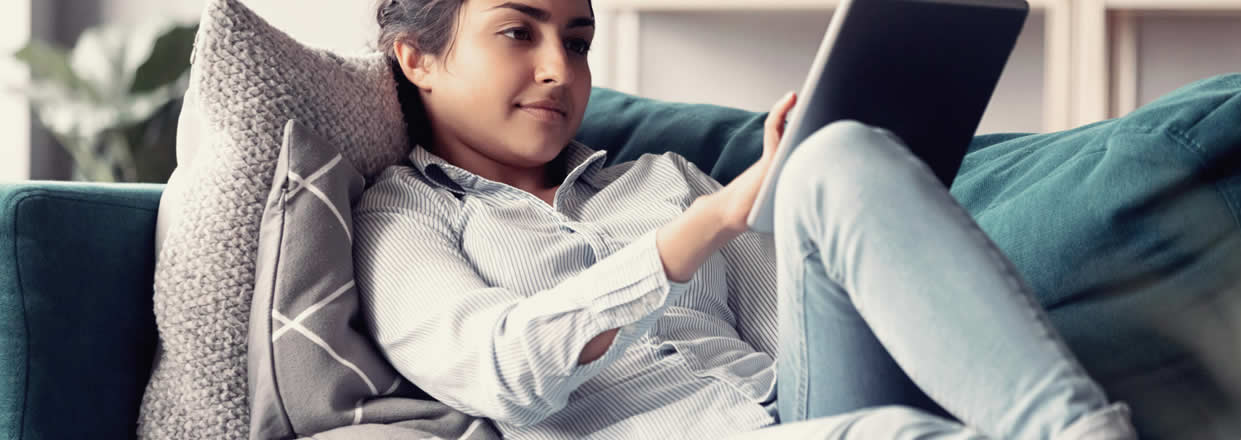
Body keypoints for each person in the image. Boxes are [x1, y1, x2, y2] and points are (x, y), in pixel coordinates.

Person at [354, 0, 1138, 438]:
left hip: (797, 414)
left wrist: (824, 211)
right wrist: (709, 224)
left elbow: (795, 335)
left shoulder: (660, 181)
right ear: (415, 57)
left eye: (579, 39)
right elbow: (504, 374)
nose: (560, 68)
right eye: (518, 32)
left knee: (836, 153)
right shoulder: (403, 217)